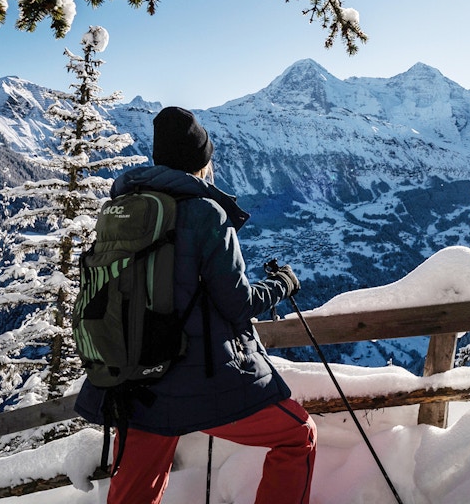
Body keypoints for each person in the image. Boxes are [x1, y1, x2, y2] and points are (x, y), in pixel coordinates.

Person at [75, 106, 316, 504]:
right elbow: (237, 304)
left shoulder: (122, 209)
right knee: (298, 436)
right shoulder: (206, 213)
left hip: (132, 380)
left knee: (134, 493)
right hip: (197, 382)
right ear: (202, 161)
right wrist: (281, 285)